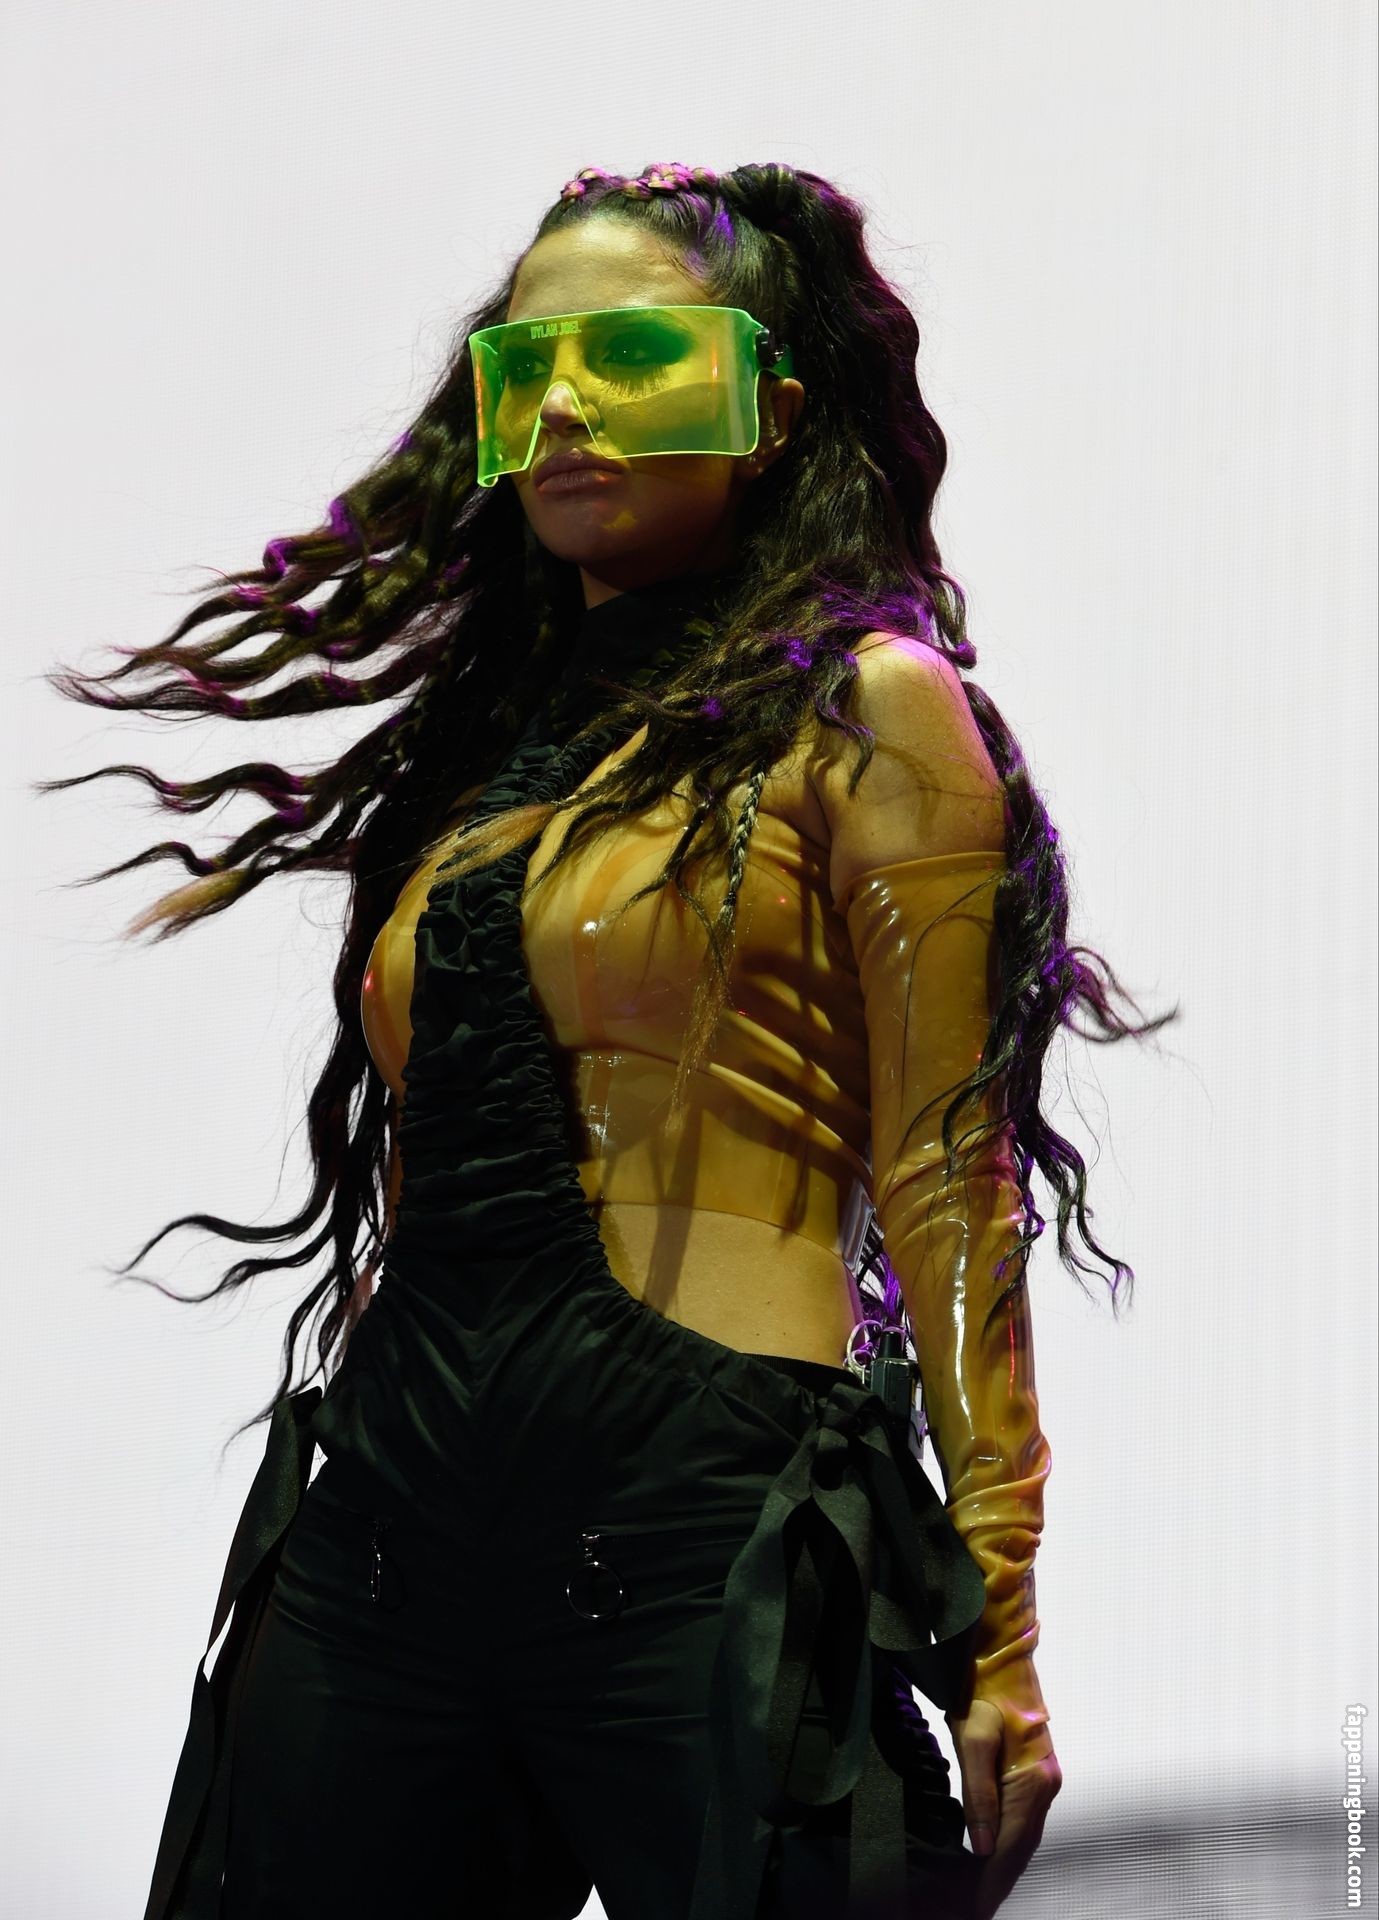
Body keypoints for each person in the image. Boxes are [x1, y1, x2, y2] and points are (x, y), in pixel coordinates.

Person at [42, 161, 1171, 1920]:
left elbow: (951, 1166)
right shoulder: (479, 767)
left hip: (706, 1537)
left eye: (634, 356)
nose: (565, 404)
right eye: (528, 367)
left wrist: (998, 1614)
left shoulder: (870, 711)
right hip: (390, 1543)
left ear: (772, 411)